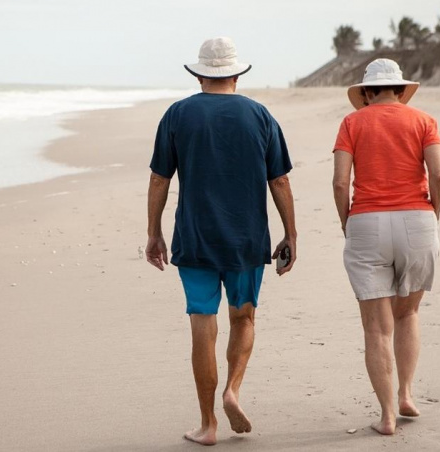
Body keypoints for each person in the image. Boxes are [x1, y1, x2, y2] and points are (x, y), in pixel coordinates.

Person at [146, 37, 297, 446]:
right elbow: (279, 179)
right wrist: (291, 233)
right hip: (247, 239)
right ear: (236, 73)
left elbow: (161, 177)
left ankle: (208, 423)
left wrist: (153, 231)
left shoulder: (177, 114)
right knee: (243, 319)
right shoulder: (260, 115)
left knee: (202, 323)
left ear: (199, 74)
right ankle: (233, 389)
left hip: (195, 237)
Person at [332, 58, 440, 435]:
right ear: (400, 90)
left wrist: (347, 222)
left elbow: (339, 182)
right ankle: (406, 395)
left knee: (376, 329)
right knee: (408, 314)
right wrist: (434, 214)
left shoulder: (352, 122)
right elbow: (439, 174)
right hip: (417, 220)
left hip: (367, 222)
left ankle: (385, 416)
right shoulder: (423, 121)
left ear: (366, 93)